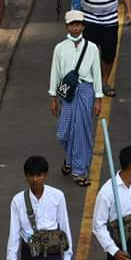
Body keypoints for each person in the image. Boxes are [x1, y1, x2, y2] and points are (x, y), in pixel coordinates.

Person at [48, 11, 103, 186]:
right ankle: (70, 158)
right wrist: (53, 98)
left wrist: (98, 98)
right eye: (72, 24)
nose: (75, 27)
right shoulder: (60, 48)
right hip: (68, 92)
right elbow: (55, 73)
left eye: (78, 24)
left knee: (82, 131)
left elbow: (97, 74)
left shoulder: (92, 48)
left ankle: (79, 171)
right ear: (67, 26)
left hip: (86, 91)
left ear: (83, 26)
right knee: (63, 132)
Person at [75, 0, 131, 95]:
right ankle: (91, 82)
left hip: (110, 21)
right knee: (89, 53)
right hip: (90, 20)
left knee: (108, 54)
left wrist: (129, 11)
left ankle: (104, 82)